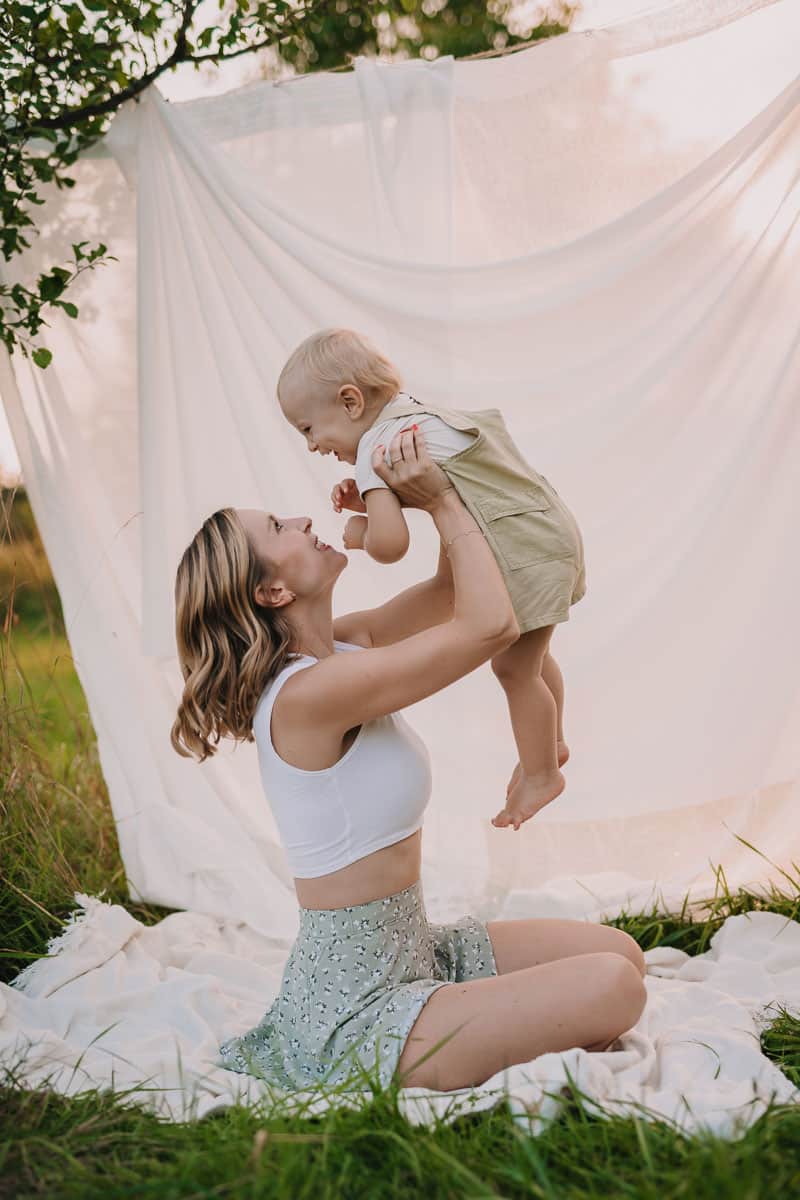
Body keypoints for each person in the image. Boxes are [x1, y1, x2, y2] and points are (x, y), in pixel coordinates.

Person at [171, 426, 645, 1094]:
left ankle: (482, 1024)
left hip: (414, 950)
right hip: (358, 1004)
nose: (305, 518)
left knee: (622, 955)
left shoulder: (341, 649)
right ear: (272, 592)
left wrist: (421, 492)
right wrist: (445, 503)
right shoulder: (310, 696)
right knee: (612, 988)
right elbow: (489, 627)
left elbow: (461, 587)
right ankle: (433, 1037)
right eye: (280, 526)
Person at [276, 328, 586, 831]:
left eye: (309, 428)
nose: (312, 446)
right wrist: (378, 500)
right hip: (543, 532)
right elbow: (448, 489)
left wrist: (358, 530)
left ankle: (541, 772)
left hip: (522, 547)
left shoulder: (375, 446)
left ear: (350, 402)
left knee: (514, 670)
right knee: (532, 654)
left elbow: (390, 546)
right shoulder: (414, 417)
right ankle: (549, 742)